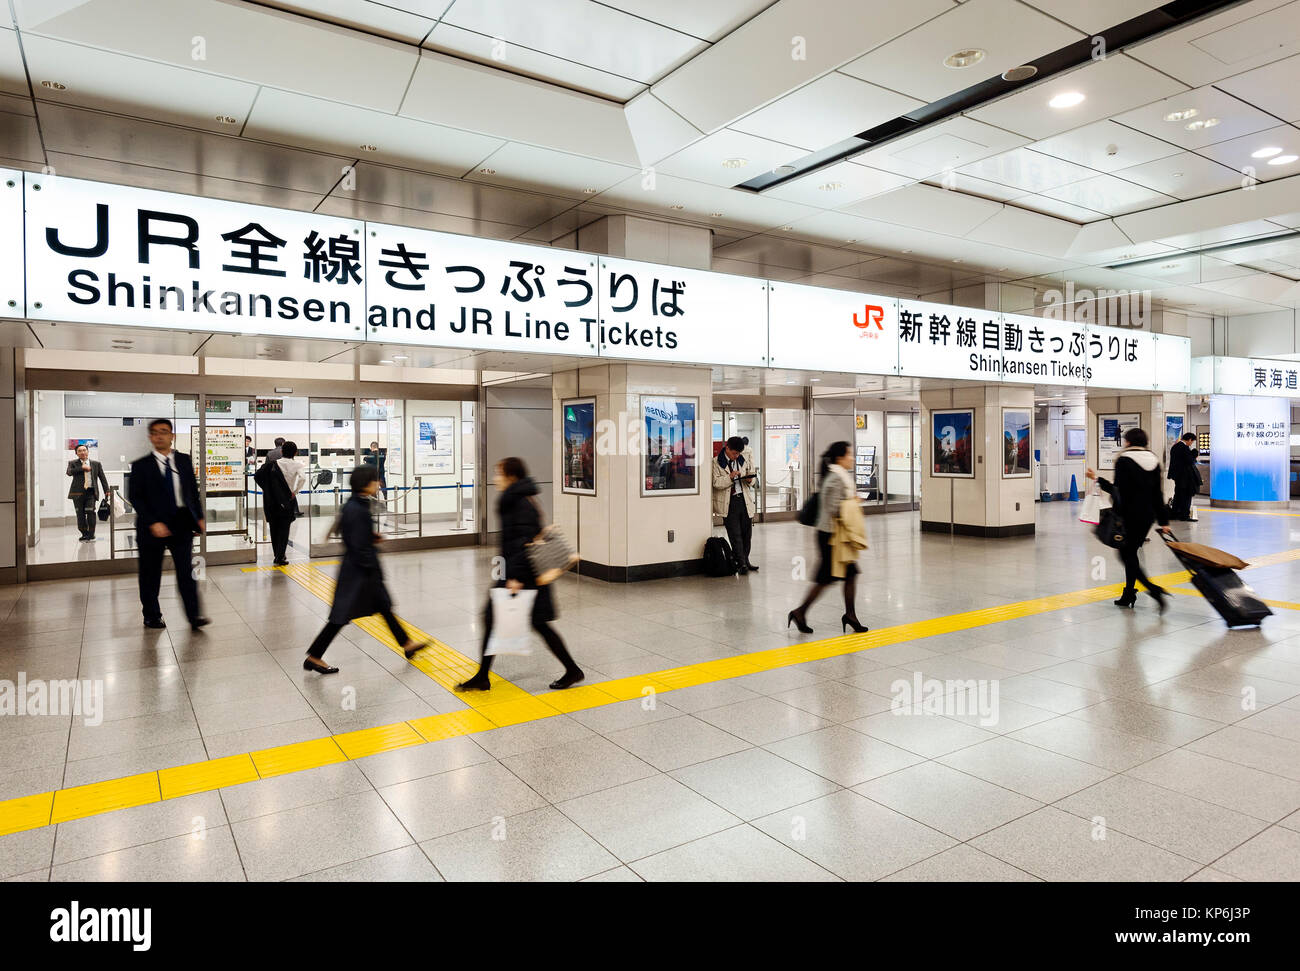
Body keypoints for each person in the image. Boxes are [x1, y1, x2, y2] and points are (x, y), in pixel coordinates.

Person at [456, 457, 584, 692]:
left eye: (499, 474)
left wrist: (513, 577)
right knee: (523, 622)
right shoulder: (517, 500)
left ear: (511, 476)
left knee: (508, 620)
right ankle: (483, 675)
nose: (495, 479)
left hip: (522, 576)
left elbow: (521, 544)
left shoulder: (518, 504)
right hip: (520, 574)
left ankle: (572, 670)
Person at [303, 465, 428, 673]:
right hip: (359, 573)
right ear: (366, 484)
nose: (378, 484)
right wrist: (371, 566)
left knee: (383, 608)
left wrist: (371, 538)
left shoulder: (356, 504)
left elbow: (354, 535)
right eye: (375, 480)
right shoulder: (357, 509)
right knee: (340, 617)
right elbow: (358, 545)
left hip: (359, 571)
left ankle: (407, 644)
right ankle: (315, 656)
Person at [128, 418, 210, 631]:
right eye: (155, 433)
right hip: (151, 528)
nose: (159, 436)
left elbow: (192, 491)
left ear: (172, 435)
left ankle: (194, 615)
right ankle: (152, 615)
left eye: (164, 431)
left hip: (181, 523)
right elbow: (136, 498)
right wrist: (153, 522)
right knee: (150, 573)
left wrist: (199, 516)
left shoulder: (183, 460)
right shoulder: (140, 466)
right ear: (150, 437)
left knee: (186, 571)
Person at [788, 441, 869, 634]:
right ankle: (800, 612)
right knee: (826, 579)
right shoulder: (836, 478)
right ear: (840, 458)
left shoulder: (837, 476)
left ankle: (850, 615)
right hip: (831, 536)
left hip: (835, 536)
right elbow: (833, 508)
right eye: (849, 454)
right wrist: (853, 502)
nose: (852, 458)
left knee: (848, 575)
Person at [1087, 427, 1171, 612]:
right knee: (1130, 552)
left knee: (1126, 554)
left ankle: (1153, 590)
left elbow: (1119, 491)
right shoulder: (1154, 460)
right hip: (1147, 516)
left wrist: (1098, 480)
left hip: (1129, 515)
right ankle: (1128, 594)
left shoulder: (1124, 460)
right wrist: (1164, 520)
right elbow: (1158, 493)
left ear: (1128, 442)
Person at [712, 436, 759, 573]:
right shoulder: (716, 462)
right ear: (727, 448)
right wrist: (730, 477)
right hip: (729, 502)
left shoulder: (742, 460)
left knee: (746, 534)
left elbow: (753, 479)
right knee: (735, 534)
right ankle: (741, 563)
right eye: (734, 453)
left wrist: (750, 480)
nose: (736, 456)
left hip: (744, 500)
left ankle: (746, 560)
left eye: (738, 453)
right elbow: (716, 483)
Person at [257, 440, 306, 565]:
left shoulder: (273, 464)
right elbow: (302, 478)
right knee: (284, 529)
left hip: (272, 500)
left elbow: (258, 476)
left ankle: (276, 555)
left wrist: (268, 489)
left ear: (282, 451)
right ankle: (280, 556)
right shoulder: (298, 465)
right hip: (287, 500)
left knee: (274, 528)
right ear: (295, 452)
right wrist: (295, 491)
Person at [66, 444, 109, 542]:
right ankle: (84, 533)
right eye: (80, 451)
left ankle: (91, 533)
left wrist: (107, 491)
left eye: (84, 450)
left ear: (88, 451)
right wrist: (82, 468)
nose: (82, 452)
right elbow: (69, 472)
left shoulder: (96, 464)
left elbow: (102, 478)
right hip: (76, 494)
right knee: (80, 514)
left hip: (91, 493)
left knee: (90, 512)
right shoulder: (72, 463)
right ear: (76, 453)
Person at [1167, 432, 1201, 521]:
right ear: (1189, 439)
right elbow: (1189, 461)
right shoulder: (1184, 448)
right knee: (1186, 495)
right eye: (1192, 442)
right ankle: (1184, 516)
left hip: (1177, 476)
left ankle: (1174, 514)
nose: (1191, 444)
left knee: (1178, 494)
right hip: (1185, 476)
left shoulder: (1175, 446)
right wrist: (1194, 455)